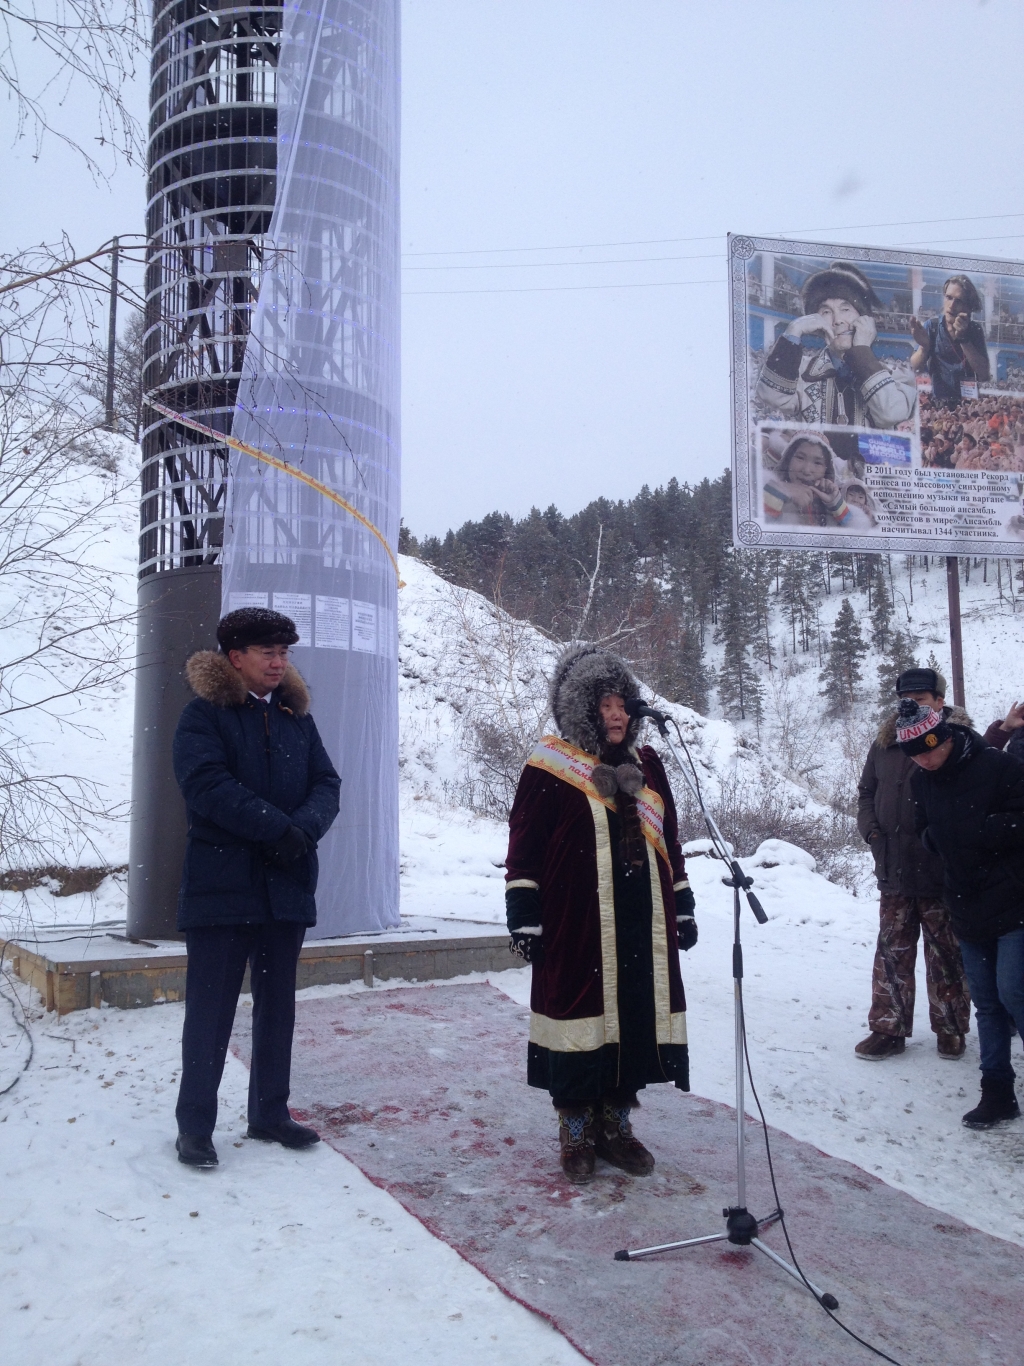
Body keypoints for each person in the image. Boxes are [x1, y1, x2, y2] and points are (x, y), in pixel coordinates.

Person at [504, 645, 694, 1185]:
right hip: (577, 924)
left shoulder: (648, 764)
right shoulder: (551, 764)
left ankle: (616, 1125)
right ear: (580, 709)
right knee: (579, 1023)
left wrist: (681, 904)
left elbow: (671, 842)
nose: (616, 714)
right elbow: (525, 845)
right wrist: (524, 914)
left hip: (641, 923)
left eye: (621, 704)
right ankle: (576, 1130)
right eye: (603, 704)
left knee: (632, 1021)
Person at [171, 607, 341, 1168]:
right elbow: (207, 787)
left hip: (284, 890)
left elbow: (326, 782)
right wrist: (280, 830)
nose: (278, 662)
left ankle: (270, 1113)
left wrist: (305, 830)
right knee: (211, 1011)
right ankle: (195, 1126)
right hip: (222, 891)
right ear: (235, 657)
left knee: (278, 1010)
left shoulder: (296, 718)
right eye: (268, 652)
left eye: (284, 653)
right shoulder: (203, 717)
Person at [898, 699, 1024, 1128]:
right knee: (987, 1004)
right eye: (914, 755)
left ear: (945, 738)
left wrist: (975, 834)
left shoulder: (998, 767)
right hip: (966, 904)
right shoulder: (923, 780)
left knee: (1015, 994)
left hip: (1014, 901)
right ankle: (998, 1092)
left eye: (928, 751)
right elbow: (922, 827)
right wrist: (939, 840)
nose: (923, 761)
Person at [856, 667, 972, 1061]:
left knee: (947, 956)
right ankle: (888, 1029)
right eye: (906, 699)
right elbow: (866, 792)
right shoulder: (885, 743)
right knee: (892, 953)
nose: (911, 706)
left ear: (939, 701)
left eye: (921, 699)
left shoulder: (957, 741)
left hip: (941, 871)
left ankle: (951, 1029)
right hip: (894, 867)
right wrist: (872, 832)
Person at [756, 262, 917, 428]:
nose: (837, 320)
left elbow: (891, 414)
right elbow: (770, 397)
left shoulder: (896, 377)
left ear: (864, 318)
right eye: (826, 312)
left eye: (845, 309)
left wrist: (861, 349)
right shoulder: (800, 372)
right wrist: (793, 330)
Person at [910, 275, 991, 410]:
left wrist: (964, 339)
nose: (952, 305)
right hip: (939, 404)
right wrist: (924, 347)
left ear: (968, 307)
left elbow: (984, 374)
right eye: (949, 298)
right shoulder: (932, 326)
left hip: (968, 407)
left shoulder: (975, 330)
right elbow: (915, 367)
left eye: (958, 301)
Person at [763, 433, 852, 527]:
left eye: (817, 463)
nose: (806, 470)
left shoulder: (829, 504)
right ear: (788, 460)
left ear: (827, 470)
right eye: (800, 458)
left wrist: (834, 503)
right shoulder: (762, 492)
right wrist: (780, 492)